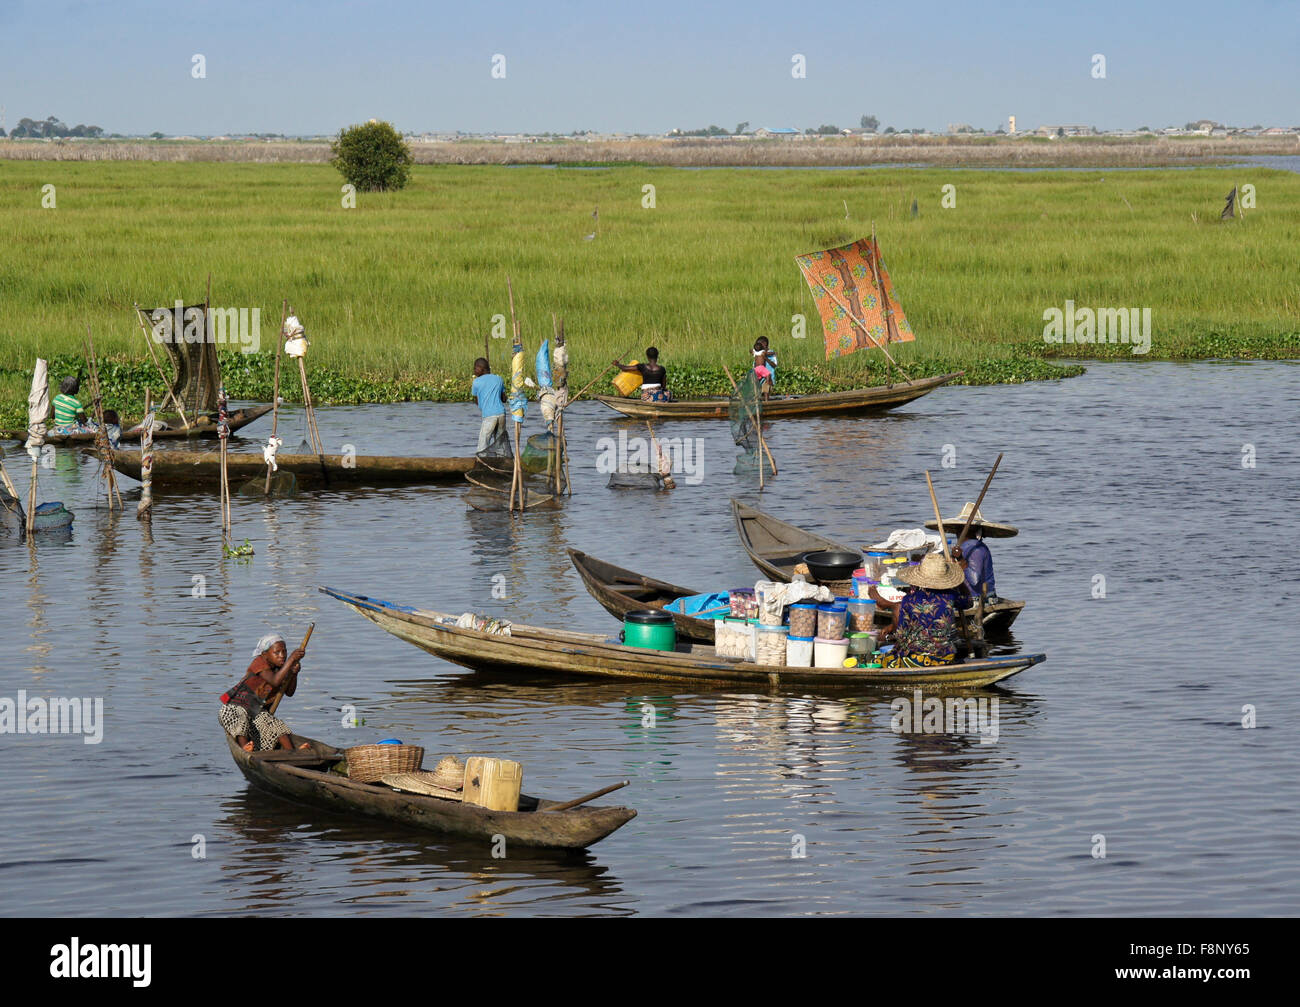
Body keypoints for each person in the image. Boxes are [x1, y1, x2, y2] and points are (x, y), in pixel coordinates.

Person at [877, 552, 973, 667]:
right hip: (946, 656)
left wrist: (888, 638)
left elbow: (902, 636)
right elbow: (969, 602)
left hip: (919, 657)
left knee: (882, 660)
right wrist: (960, 583)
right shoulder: (951, 596)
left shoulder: (908, 600)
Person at [219, 634, 308, 752]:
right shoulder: (259, 663)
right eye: (277, 653)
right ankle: (244, 748)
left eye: (284, 652)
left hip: (258, 712)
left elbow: (289, 692)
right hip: (236, 707)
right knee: (241, 720)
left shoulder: (282, 670)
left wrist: (293, 674)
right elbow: (275, 681)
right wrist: (291, 659)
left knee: (276, 725)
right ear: (265, 654)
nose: (282, 656)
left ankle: (291, 752)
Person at [925, 503, 1018, 604]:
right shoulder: (963, 547)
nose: (957, 532)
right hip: (968, 596)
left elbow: (974, 580)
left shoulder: (976, 548)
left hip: (979, 599)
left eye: (960, 528)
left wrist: (961, 560)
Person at [471, 358, 507, 454]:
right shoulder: (499, 379)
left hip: (489, 416)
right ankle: (502, 460)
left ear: (481, 368)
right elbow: (504, 399)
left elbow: (477, 401)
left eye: (475, 368)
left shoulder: (476, 382)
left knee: (483, 443)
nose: (474, 370)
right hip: (501, 414)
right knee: (500, 442)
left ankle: (482, 463)